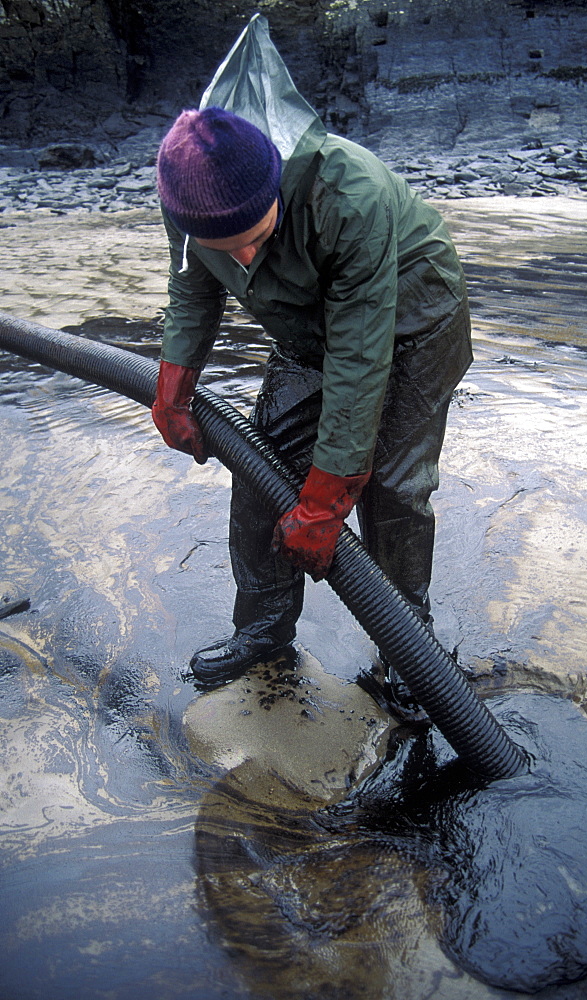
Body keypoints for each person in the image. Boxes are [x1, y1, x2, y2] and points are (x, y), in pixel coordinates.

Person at [152, 20, 472, 709]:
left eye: (255, 239)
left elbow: (360, 358)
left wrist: (327, 501)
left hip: (413, 315)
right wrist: (173, 386)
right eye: (223, 246)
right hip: (307, 329)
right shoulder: (185, 190)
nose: (241, 260)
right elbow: (190, 285)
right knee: (260, 465)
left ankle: (408, 651)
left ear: (278, 191)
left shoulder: (346, 194)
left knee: (389, 486)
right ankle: (264, 630)